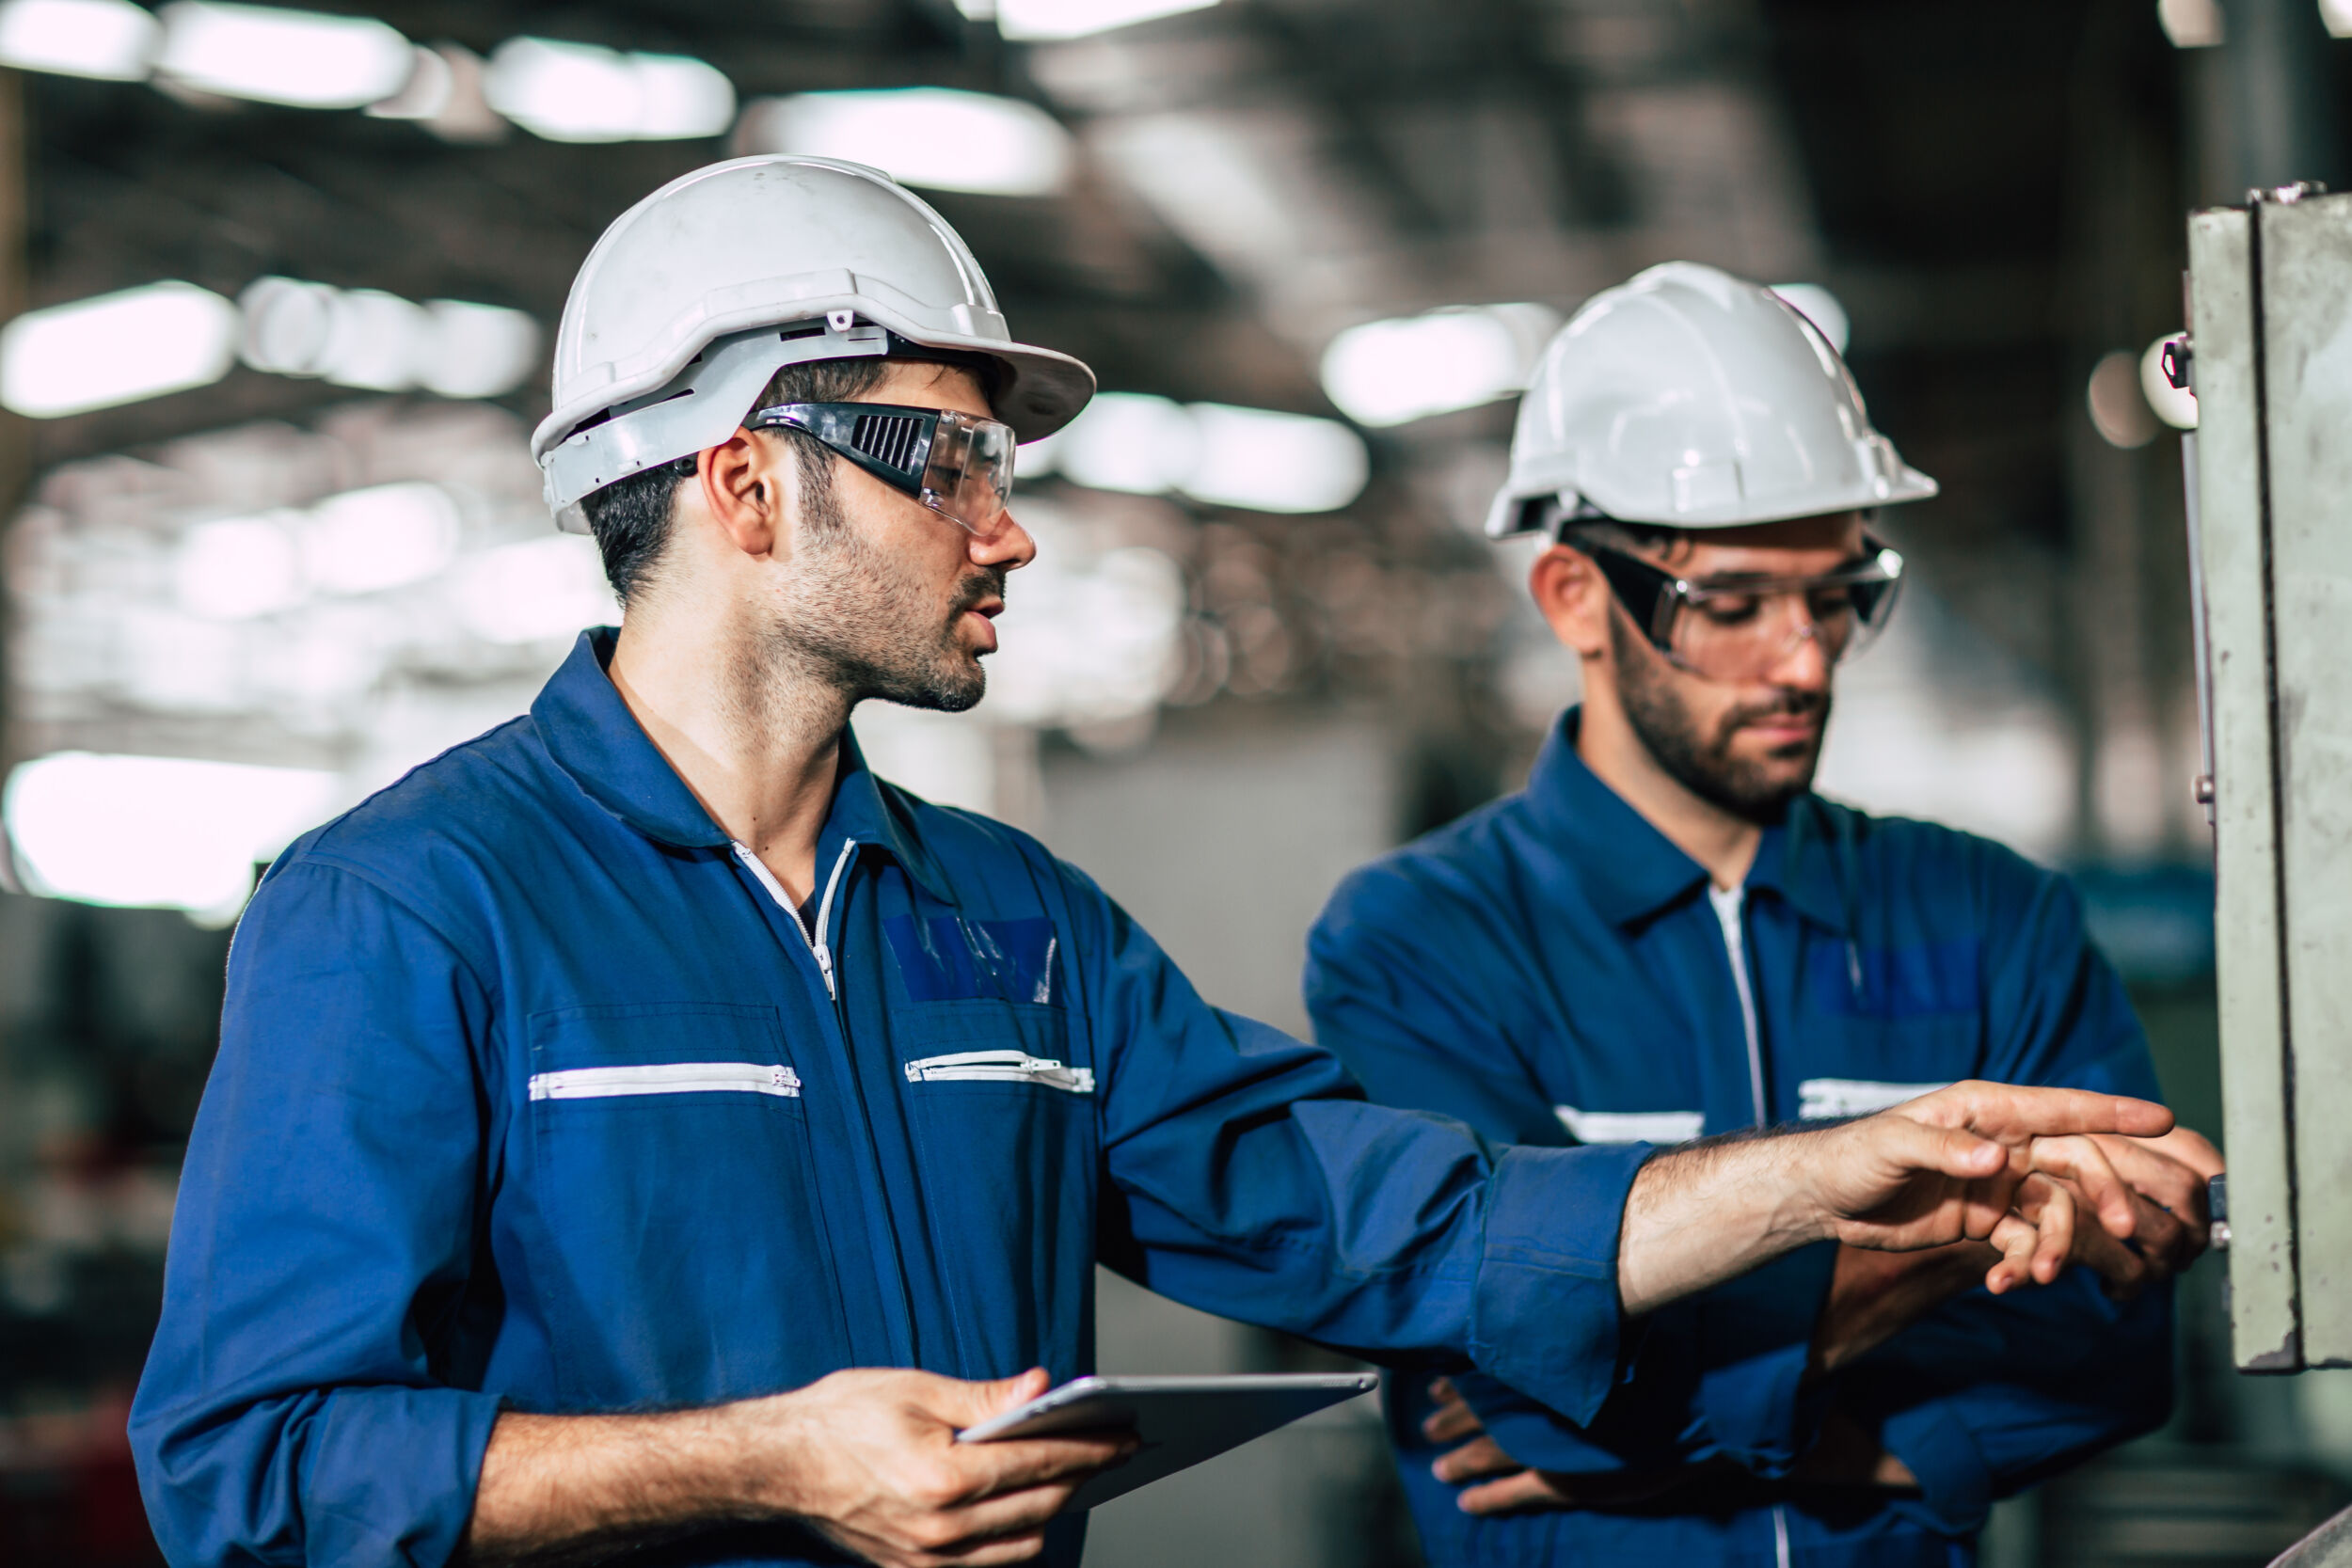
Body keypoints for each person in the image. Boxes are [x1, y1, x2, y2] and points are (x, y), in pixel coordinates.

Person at [129, 168, 2171, 1568]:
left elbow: (1386, 1220)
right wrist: (761, 1463)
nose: (1004, 530)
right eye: (948, 460)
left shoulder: (1012, 929)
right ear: (740, 482)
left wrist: (1805, 1175)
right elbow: (248, 1471)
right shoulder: (406, 910)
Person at [1304, 261, 2225, 1568]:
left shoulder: (1991, 916)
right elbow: (1507, 1383)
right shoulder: (1419, 943)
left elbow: (2119, 1357)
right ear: (1576, 596)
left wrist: (1741, 1427)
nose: (1804, 659)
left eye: (1840, 595)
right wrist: (1969, 1246)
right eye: (1732, 606)